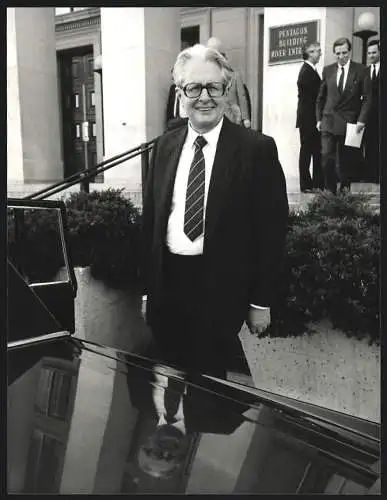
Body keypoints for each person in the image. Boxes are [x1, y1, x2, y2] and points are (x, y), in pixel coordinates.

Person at [140, 44, 289, 378]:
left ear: (226, 90)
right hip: (167, 286)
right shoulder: (164, 146)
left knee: (209, 390)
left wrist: (261, 302)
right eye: (194, 87)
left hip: (220, 290)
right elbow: (150, 222)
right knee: (167, 384)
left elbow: (272, 230)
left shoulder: (256, 150)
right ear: (181, 93)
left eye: (213, 86)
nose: (204, 96)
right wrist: (149, 291)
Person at [316, 37, 371, 194]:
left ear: (350, 52)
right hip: (328, 120)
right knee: (326, 157)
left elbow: (367, 98)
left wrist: (362, 120)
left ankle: (345, 192)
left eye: (344, 53)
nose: (341, 57)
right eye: (338, 53)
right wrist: (318, 118)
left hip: (350, 123)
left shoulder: (361, 70)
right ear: (334, 53)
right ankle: (330, 192)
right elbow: (321, 97)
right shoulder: (327, 70)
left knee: (347, 160)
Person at [296, 42, 324, 192]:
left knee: (312, 150)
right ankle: (307, 184)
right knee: (308, 151)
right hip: (309, 120)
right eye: (316, 51)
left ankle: (315, 183)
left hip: (309, 119)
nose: (319, 53)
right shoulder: (307, 72)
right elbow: (313, 99)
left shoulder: (309, 70)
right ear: (309, 53)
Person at [206, 37, 251, 128]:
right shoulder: (207, 77)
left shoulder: (235, 75)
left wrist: (245, 118)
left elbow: (242, 97)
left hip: (233, 118)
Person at [363, 39, 380, 184]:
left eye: (374, 52)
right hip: (368, 117)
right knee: (369, 146)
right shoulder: (365, 72)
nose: (371, 55)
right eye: (369, 53)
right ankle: (370, 176)